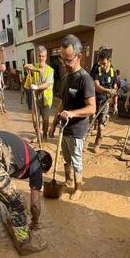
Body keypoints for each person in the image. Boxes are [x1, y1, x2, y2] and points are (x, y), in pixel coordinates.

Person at [48, 34, 96, 200]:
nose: (65, 64)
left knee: (76, 160)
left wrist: (73, 113)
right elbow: (62, 103)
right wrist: (53, 124)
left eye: (68, 60)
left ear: (79, 56)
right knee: (66, 158)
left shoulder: (85, 80)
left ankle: (78, 188)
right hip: (64, 127)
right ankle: (68, 180)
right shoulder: (65, 78)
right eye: (63, 59)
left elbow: (92, 108)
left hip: (77, 129)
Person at [24, 46, 54, 140]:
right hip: (36, 99)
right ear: (37, 56)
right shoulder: (34, 66)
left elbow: (47, 84)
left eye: (43, 56)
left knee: (45, 120)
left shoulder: (50, 70)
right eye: (39, 56)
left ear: (46, 57)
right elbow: (25, 66)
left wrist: (36, 87)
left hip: (46, 100)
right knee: (35, 120)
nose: (41, 58)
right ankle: (38, 136)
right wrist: (37, 70)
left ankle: (44, 135)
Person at [91, 48, 117, 153]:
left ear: (109, 60)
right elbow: (96, 86)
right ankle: (82, 143)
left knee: (101, 126)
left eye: (104, 63)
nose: (102, 66)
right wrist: (107, 90)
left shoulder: (113, 72)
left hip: (105, 103)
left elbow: (115, 89)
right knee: (90, 122)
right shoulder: (96, 69)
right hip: (93, 100)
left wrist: (115, 104)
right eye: (101, 63)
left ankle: (97, 144)